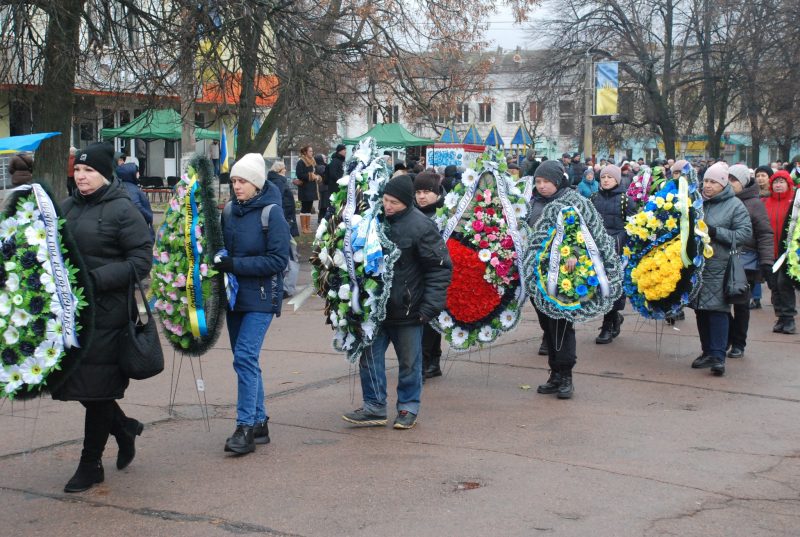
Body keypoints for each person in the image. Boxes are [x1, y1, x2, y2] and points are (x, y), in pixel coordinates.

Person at [54, 142, 154, 492]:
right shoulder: (66, 207)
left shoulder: (123, 210)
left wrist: (95, 279)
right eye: (78, 170)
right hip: (72, 315)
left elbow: (141, 261)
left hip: (109, 316)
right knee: (74, 383)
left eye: (89, 171)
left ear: (105, 174)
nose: (81, 176)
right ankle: (124, 428)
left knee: (96, 390)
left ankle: (90, 463)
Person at [342, 175, 452, 430]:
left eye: (393, 202)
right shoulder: (374, 221)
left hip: (409, 310)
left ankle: (408, 407)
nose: (388, 206)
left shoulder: (422, 226)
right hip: (375, 308)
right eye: (385, 200)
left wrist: (429, 308)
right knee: (369, 358)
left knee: (410, 363)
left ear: (406, 201)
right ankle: (374, 406)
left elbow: (439, 269)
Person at [215, 153, 290, 454]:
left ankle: (244, 427)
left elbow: (277, 260)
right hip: (235, 298)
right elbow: (223, 247)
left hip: (261, 298)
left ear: (257, 183)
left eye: (242, 180)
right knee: (245, 359)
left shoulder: (272, 214)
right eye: (234, 181)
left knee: (244, 356)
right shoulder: (229, 211)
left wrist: (233, 264)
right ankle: (259, 423)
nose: (237, 186)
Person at [690, 162, 752, 376]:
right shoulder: (697, 203)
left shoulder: (735, 205)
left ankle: (718, 356)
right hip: (699, 267)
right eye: (706, 181)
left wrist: (716, 232)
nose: (707, 185)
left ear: (723, 184)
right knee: (700, 310)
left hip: (721, 266)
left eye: (713, 182)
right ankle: (707, 351)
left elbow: (744, 235)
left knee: (718, 310)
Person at [527, 160, 581, 398]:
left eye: (546, 181)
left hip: (563, 276)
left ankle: (566, 375)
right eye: (538, 182)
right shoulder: (533, 204)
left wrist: (575, 254)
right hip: (537, 275)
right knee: (547, 326)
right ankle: (554, 373)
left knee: (562, 325)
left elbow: (583, 233)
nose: (542, 186)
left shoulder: (572, 202)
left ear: (557, 181)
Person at [726, 164, 773, 358]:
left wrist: (766, 262)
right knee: (721, 302)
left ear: (743, 182)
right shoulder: (723, 200)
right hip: (725, 258)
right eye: (727, 179)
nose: (729, 183)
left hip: (747, 261)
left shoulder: (754, 203)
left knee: (741, 304)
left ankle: (739, 343)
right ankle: (728, 335)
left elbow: (764, 234)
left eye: (734, 180)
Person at [591, 164, 635, 344]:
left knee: (614, 287)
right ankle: (613, 318)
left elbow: (633, 226)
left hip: (617, 250)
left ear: (617, 179)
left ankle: (608, 324)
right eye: (603, 177)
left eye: (609, 177)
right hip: (597, 250)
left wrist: (618, 241)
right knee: (600, 288)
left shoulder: (626, 200)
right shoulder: (594, 198)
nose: (606, 180)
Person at [413, 171, 445, 380]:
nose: (421, 197)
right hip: (414, 278)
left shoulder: (445, 216)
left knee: (430, 321)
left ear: (438, 194)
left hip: (436, 277)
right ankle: (429, 362)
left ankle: (428, 362)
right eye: (418, 192)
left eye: (426, 192)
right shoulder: (411, 213)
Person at [763, 170, 797, 334]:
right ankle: (781, 317)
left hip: (788, 253)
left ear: (789, 184)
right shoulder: (765, 202)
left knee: (784, 284)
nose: (778, 185)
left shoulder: (795, 203)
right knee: (774, 285)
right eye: (776, 182)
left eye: (782, 182)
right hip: (770, 251)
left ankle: (789, 318)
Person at [116, 162, 154, 240]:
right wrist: (149, 216)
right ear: (131, 174)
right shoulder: (131, 188)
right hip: (138, 228)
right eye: (137, 172)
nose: (139, 174)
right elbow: (136, 205)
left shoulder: (123, 185)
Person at [267, 160, 299, 237]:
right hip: (285, 210)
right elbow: (279, 196)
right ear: (279, 170)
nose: (285, 170)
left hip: (285, 208)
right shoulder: (278, 181)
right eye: (284, 168)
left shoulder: (277, 180)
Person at [294, 145, 319, 234]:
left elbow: (315, 172)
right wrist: (311, 176)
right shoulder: (301, 162)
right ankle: (304, 227)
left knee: (309, 208)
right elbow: (299, 174)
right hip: (304, 188)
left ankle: (308, 227)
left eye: (312, 151)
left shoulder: (313, 162)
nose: (312, 153)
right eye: (310, 151)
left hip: (311, 188)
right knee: (304, 208)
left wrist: (317, 176)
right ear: (305, 152)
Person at [315, 153, 329, 225]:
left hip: (323, 188)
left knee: (323, 205)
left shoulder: (321, 166)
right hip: (323, 188)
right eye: (324, 158)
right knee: (324, 205)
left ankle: (321, 218)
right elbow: (326, 174)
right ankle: (321, 219)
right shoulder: (321, 167)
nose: (325, 159)